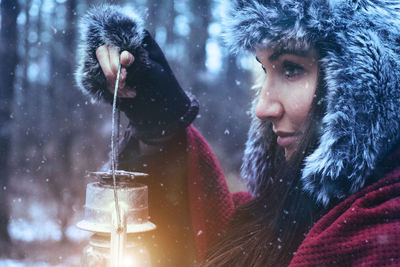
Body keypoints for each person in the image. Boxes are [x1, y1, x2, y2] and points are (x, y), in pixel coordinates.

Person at [75, 1, 400, 266]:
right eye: (264, 70)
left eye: (291, 68)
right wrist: (160, 127)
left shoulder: (383, 235)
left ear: (367, 87)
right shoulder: (291, 216)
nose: (263, 107)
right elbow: (216, 236)